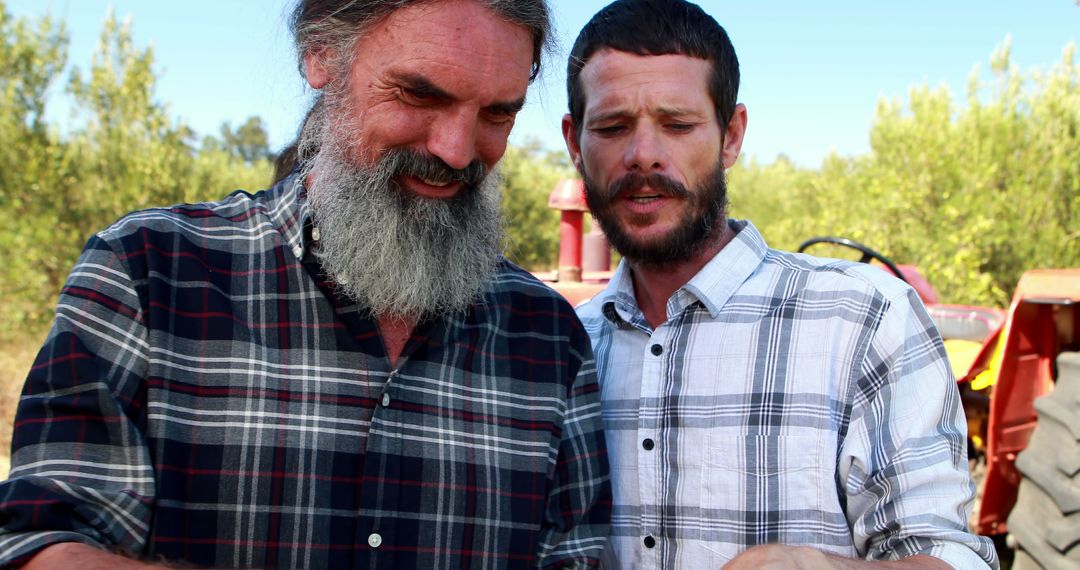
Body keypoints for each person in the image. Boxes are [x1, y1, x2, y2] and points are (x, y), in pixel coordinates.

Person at [0, 0, 611, 568]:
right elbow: (43, 541)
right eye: (418, 95)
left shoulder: (547, 336)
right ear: (320, 52)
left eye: (497, 113)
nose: (455, 150)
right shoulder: (145, 273)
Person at [560, 1, 997, 568]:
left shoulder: (862, 318)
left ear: (731, 136)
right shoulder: (566, 346)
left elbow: (950, 554)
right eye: (613, 127)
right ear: (575, 143)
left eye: (678, 124)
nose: (644, 154)